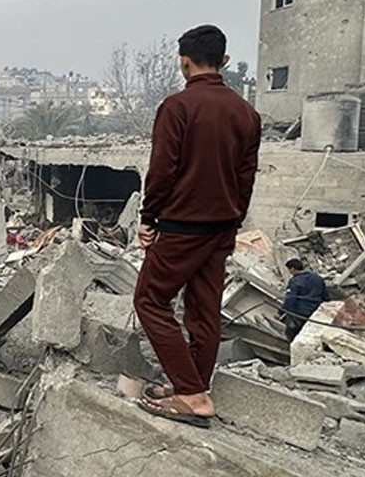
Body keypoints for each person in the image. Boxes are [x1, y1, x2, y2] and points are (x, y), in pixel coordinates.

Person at [132, 25, 261, 428]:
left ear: (184, 61)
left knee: (150, 301)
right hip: (222, 227)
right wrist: (233, 220)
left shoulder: (178, 107)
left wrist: (148, 218)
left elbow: (161, 173)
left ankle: (190, 394)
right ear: (223, 61)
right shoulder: (247, 113)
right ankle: (196, 388)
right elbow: (246, 177)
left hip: (182, 226)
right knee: (205, 312)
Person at [280, 258, 328, 341]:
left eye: (289, 270)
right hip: (317, 312)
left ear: (292, 269)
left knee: (292, 334)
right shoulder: (317, 277)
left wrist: (280, 312)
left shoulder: (294, 281)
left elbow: (290, 299)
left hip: (300, 314)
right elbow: (326, 295)